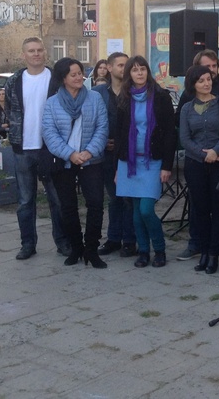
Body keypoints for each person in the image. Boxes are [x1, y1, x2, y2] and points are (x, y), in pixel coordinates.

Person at [175, 49, 219, 263]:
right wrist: (204, 154)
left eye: (209, 78)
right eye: (201, 80)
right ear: (193, 84)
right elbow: (185, 138)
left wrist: (216, 151)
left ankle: (215, 252)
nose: (207, 82)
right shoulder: (186, 107)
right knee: (200, 208)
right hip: (196, 164)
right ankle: (203, 251)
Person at [5, 37, 69, 260]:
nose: (36, 54)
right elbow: (9, 111)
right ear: (24, 54)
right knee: (25, 200)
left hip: (50, 148)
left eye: (39, 50)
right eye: (31, 51)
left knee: (57, 198)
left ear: (45, 52)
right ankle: (28, 244)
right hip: (23, 148)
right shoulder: (14, 81)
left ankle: (62, 242)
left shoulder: (56, 79)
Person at [42, 58, 109, 268]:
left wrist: (89, 152)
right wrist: (70, 154)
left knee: (96, 204)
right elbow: (50, 134)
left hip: (92, 160)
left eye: (80, 73)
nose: (79, 77)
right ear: (63, 78)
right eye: (74, 74)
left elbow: (102, 127)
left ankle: (91, 249)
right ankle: (76, 248)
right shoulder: (52, 103)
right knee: (68, 207)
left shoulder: (95, 98)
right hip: (65, 162)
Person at [115, 56, 176, 268]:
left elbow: (170, 133)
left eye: (142, 69)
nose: (139, 73)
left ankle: (159, 249)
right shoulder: (123, 98)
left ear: (147, 72)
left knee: (146, 210)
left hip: (153, 161)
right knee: (135, 212)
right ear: (129, 74)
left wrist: (167, 165)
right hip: (129, 162)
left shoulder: (160, 97)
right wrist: (117, 168)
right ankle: (143, 251)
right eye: (134, 70)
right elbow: (120, 134)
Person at [94, 53, 137, 258]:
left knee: (128, 197)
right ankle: (113, 238)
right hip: (106, 153)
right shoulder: (98, 93)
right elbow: (90, 121)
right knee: (113, 197)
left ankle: (129, 240)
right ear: (109, 68)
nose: (124, 68)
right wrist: (102, 142)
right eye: (120, 65)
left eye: (126, 65)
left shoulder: (135, 91)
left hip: (130, 153)